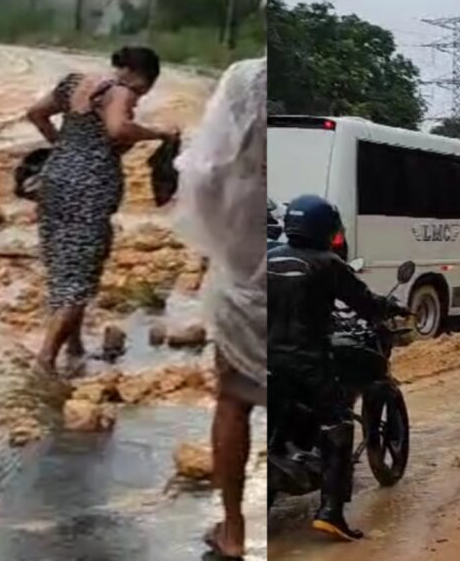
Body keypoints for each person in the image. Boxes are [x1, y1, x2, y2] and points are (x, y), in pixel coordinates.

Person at [25, 46, 178, 376]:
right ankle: (45, 361)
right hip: (89, 191)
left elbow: (36, 113)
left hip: (53, 182)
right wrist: (157, 133)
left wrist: (63, 147)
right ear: (145, 79)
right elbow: (118, 130)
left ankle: (75, 348)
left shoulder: (73, 83)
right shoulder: (119, 92)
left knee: (63, 266)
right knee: (79, 275)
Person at [268, 194, 404, 541]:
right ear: (324, 228)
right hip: (308, 362)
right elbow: (363, 302)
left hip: (265, 358)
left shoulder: (268, 258)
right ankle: (331, 512)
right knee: (339, 425)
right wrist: (389, 308)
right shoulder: (327, 264)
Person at [173, 56, 267, 559]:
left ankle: (233, 529)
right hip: (296, 286)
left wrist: (225, 248)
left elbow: (200, 177)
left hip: (242, 283)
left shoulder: (246, 80)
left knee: (234, 401)